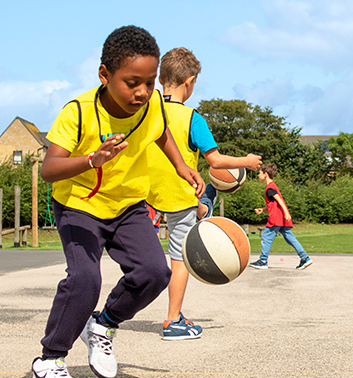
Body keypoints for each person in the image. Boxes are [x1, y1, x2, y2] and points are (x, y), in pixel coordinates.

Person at [31, 27, 205, 378]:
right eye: (132, 82)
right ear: (104, 74)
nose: (142, 92)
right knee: (85, 279)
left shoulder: (152, 103)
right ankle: (50, 358)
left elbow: (161, 132)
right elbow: (49, 169)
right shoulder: (78, 112)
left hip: (127, 205)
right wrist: (92, 160)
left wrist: (181, 164)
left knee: (155, 273)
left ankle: (103, 325)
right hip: (80, 204)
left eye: (150, 81)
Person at [146, 47, 262, 341]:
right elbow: (216, 161)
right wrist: (247, 162)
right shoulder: (192, 118)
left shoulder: (146, 109)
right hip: (179, 196)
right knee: (179, 258)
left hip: (143, 194)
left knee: (135, 257)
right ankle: (173, 321)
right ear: (190, 80)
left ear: (160, 78)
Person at [249, 163, 313, 270]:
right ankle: (304, 258)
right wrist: (263, 209)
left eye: (259, 173)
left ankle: (263, 261)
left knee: (266, 236)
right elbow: (274, 203)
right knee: (289, 237)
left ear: (265, 174)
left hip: (277, 218)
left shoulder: (270, 187)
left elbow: (279, 200)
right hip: (282, 217)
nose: (258, 175)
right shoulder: (272, 187)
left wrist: (286, 212)